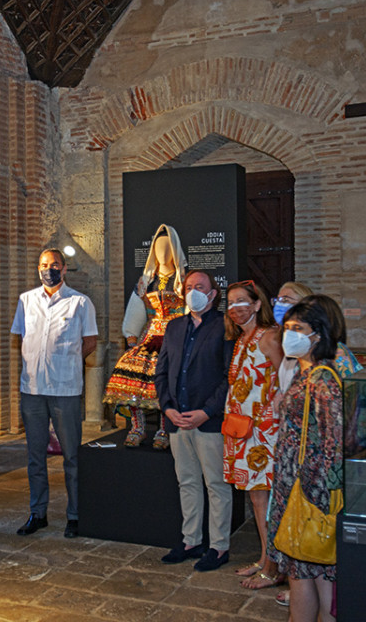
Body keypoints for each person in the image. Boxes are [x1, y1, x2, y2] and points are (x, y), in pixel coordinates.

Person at [10, 248, 98, 538]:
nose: (50, 269)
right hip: (32, 390)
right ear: (38, 269)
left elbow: (89, 342)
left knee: (71, 456)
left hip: (65, 389)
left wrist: (66, 363)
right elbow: (22, 339)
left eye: (55, 265)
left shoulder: (80, 303)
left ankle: (75, 514)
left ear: (65, 269)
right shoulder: (26, 301)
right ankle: (38, 512)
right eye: (45, 265)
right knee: (35, 455)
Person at [267, 298, 343, 622]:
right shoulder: (303, 373)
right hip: (293, 484)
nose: (289, 335)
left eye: (298, 329)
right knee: (299, 570)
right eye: (288, 328)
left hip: (312, 491)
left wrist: (324, 496)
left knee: (323, 577)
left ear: (319, 334)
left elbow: (334, 441)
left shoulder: (324, 379)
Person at [155, 269, 234, 572]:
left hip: (208, 421)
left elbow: (229, 377)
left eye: (200, 287)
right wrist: (167, 408)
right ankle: (191, 540)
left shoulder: (224, 327)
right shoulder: (174, 327)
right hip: (177, 419)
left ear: (213, 294)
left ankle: (219, 546)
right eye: (189, 287)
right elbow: (162, 372)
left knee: (216, 484)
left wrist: (207, 411)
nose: (193, 292)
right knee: (187, 482)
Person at [103, 224, 187, 449]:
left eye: (167, 248)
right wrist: (131, 338)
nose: (163, 253)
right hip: (149, 336)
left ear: (175, 249)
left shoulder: (183, 281)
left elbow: (189, 312)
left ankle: (164, 429)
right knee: (131, 374)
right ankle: (137, 427)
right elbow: (135, 312)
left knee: (165, 382)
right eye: (159, 248)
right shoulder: (145, 281)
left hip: (175, 336)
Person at [223, 280, 283, 588]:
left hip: (263, 431)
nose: (235, 308)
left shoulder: (269, 336)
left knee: (264, 499)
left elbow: (287, 375)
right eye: (231, 303)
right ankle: (264, 558)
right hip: (242, 429)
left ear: (258, 304)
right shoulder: (241, 339)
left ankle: (272, 567)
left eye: (242, 302)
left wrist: (274, 407)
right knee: (256, 498)